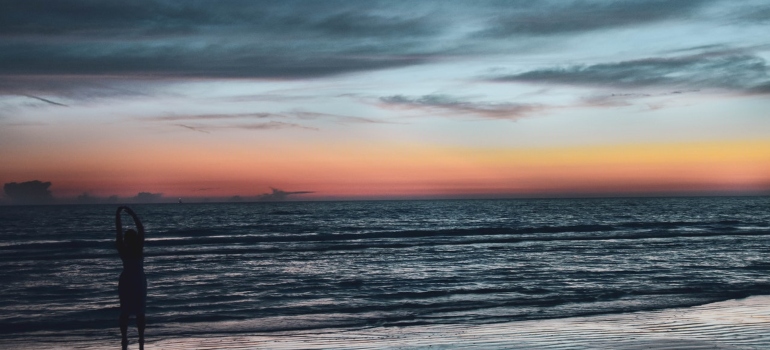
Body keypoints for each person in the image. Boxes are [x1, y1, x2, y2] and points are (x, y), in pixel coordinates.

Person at [115, 206, 147, 350]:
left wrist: (118, 215)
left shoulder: (123, 248)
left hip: (127, 280)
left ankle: (125, 338)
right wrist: (133, 214)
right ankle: (140, 338)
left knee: (126, 311)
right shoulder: (138, 247)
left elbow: (118, 231)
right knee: (139, 311)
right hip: (138, 280)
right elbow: (141, 230)